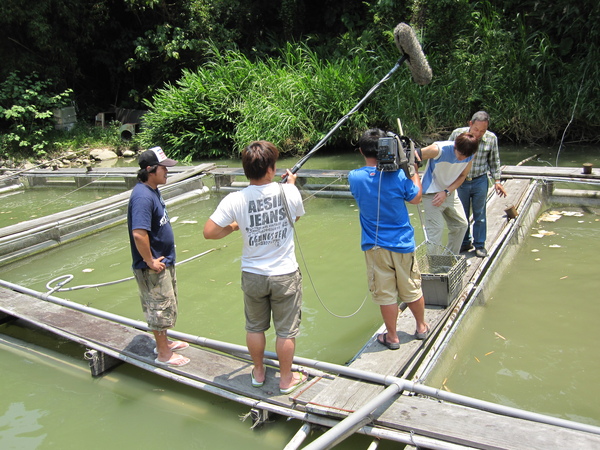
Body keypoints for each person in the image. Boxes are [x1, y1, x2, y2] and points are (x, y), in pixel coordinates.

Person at [203, 140, 307, 395]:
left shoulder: (235, 199)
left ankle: (258, 372)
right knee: (286, 331)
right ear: (271, 169)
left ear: (246, 169)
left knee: (254, 327)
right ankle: (286, 379)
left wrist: (234, 226)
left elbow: (209, 232)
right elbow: (295, 217)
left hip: (253, 274)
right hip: (284, 274)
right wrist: (290, 185)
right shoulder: (289, 192)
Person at [348, 128, 429, 351]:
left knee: (386, 294)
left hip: (374, 247)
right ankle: (421, 327)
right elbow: (416, 198)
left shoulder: (354, 177)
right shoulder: (399, 175)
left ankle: (392, 337)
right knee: (411, 288)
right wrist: (413, 169)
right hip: (402, 243)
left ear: (362, 151)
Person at [127, 146, 190, 367]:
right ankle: (163, 353)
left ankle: (165, 343)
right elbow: (139, 233)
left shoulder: (152, 190)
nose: (167, 172)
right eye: (164, 168)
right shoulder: (143, 196)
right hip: (153, 266)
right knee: (158, 308)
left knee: (166, 305)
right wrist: (150, 261)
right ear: (150, 169)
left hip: (163, 262)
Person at [450, 111, 507, 258]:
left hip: (480, 180)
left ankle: (480, 245)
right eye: (476, 129)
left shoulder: (491, 138)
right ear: (470, 124)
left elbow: (494, 161)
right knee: (461, 214)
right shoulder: (458, 134)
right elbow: (448, 155)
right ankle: (464, 242)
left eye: (483, 130)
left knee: (479, 214)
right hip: (460, 181)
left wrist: (498, 181)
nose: (479, 133)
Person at [420, 132, 479, 255]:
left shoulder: (470, 155)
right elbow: (414, 155)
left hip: (449, 191)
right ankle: (434, 268)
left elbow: (462, 176)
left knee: (461, 225)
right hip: (431, 193)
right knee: (436, 230)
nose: (462, 158)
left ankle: (449, 259)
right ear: (455, 147)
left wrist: (446, 192)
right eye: (460, 154)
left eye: (466, 156)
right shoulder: (438, 150)